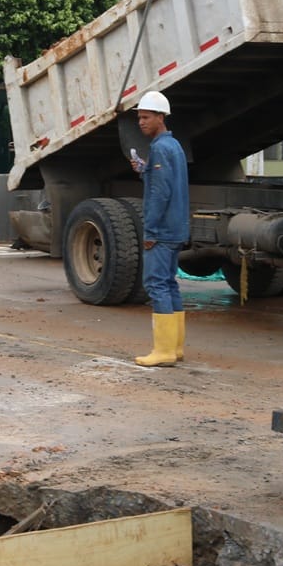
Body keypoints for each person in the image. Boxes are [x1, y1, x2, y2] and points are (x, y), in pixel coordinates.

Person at [130, 90, 189, 366]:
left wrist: (150, 231)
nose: (141, 122)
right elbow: (163, 180)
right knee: (169, 283)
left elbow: (160, 193)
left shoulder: (159, 148)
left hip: (162, 230)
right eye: (139, 117)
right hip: (176, 227)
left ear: (160, 117)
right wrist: (145, 170)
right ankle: (175, 348)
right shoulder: (173, 145)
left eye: (146, 117)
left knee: (156, 284)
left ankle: (163, 351)